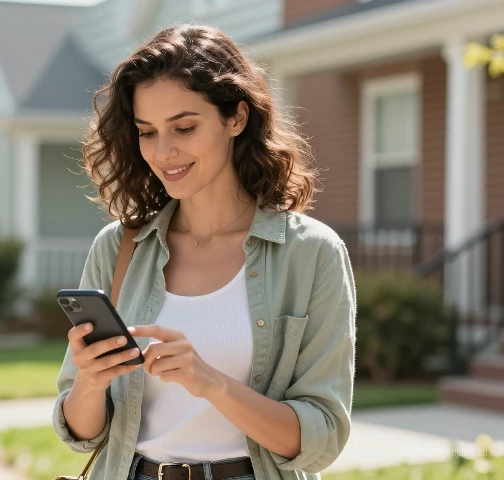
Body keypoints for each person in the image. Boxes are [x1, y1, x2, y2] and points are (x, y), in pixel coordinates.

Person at [52, 24, 357, 480]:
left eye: (184, 127)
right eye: (147, 132)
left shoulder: (311, 253)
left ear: (235, 118)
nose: (164, 151)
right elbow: (82, 433)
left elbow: (323, 436)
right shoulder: (118, 247)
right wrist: (90, 382)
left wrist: (210, 381)